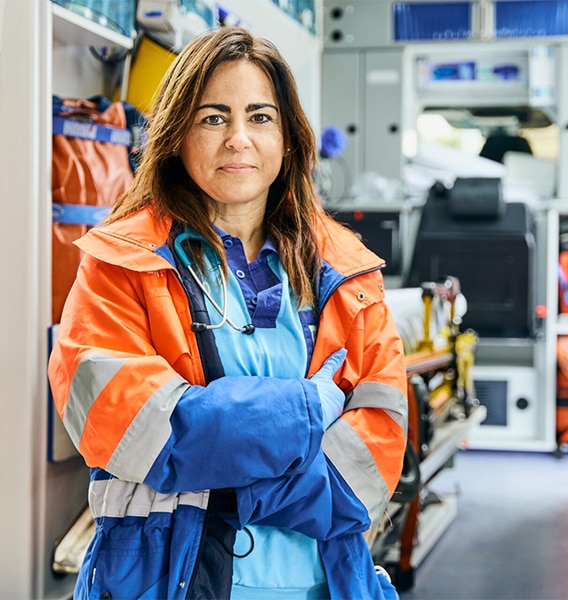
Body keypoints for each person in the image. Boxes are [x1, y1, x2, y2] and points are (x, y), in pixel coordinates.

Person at [48, 25, 408, 600]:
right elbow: (131, 429)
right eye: (213, 117)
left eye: (260, 117)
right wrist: (308, 408)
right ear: (176, 136)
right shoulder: (121, 264)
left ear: (289, 137)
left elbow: (375, 457)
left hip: (326, 584)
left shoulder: (348, 274)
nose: (239, 138)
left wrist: (234, 484)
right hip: (163, 582)